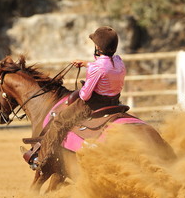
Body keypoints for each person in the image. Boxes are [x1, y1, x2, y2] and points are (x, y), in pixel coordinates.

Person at [34, 26, 127, 169]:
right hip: (114, 101)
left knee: (59, 121)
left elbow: (85, 95)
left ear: (98, 47)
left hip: (94, 104)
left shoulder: (97, 67)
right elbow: (105, 67)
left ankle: (42, 159)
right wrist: (86, 64)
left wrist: (85, 82)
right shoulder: (119, 61)